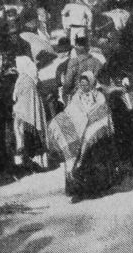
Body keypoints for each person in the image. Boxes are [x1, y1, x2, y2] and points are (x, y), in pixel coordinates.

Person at [48, 69, 122, 198]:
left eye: (86, 84)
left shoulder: (98, 95)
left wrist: (89, 118)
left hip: (94, 133)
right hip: (80, 129)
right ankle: (77, 189)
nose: (83, 86)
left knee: (93, 156)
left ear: (92, 83)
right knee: (72, 151)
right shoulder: (77, 96)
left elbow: (102, 111)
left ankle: (96, 188)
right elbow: (71, 111)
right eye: (81, 84)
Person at [12, 54, 48, 170]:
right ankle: (38, 161)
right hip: (32, 111)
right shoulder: (31, 77)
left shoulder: (24, 80)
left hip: (25, 113)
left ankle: (31, 163)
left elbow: (21, 99)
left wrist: (16, 109)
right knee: (33, 136)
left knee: (26, 136)